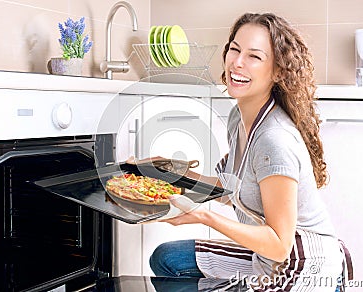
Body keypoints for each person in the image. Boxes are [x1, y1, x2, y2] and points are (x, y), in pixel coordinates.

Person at [148, 13, 348, 291]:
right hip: (268, 257)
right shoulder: (238, 118)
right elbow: (232, 189)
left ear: (278, 72)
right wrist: (171, 173)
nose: (238, 62)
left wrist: (205, 217)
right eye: (234, 49)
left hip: (304, 267)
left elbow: (279, 246)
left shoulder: (274, 140)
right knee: (167, 258)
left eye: (254, 56)